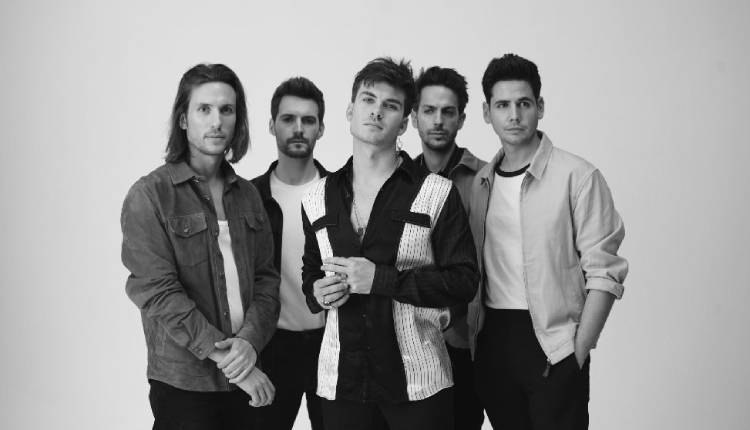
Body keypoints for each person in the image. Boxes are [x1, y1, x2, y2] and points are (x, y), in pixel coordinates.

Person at [300, 57, 478, 430]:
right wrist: (317, 291)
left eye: (390, 105)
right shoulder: (316, 197)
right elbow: (311, 273)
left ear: (404, 122)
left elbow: (464, 281)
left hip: (419, 383)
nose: (376, 111)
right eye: (368, 100)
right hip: (341, 384)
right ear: (350, 111)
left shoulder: (436, 193)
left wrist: (381, 279)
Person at [468, 53, 629, 429]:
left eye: (523, 103)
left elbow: (605, 272)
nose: (514, 115)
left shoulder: (578, 176)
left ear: (540, 107)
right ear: (486, 112)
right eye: (502, 105)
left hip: (554, 344)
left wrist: (578, 350)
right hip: (494, 341)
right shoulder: (481, 183)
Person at [121, 63, 280, 429]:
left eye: (227, 110)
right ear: (183, 119)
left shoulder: (249, 196)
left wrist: (248, 344)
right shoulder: (150, 195)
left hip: (248, 371)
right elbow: (158, 292)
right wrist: (231, 362)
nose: (217, 121)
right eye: (204, 109)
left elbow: (267, 282)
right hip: (185, 383)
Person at [411, 65, 486, 430]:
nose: (438, 120)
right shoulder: (399, 182)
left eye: (448, 111)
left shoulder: (486, 179)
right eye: (429, 110)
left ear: (462, 119)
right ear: (414, 117)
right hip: (413, 342)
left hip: (470, 340)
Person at [252, 76, 328, 430]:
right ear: (272, 125)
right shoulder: (249, 198)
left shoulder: (341, 193)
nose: (298, 128)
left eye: (308, 120)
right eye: (288, 119)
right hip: (271, 346)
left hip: (333, 345)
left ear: (321, 128)